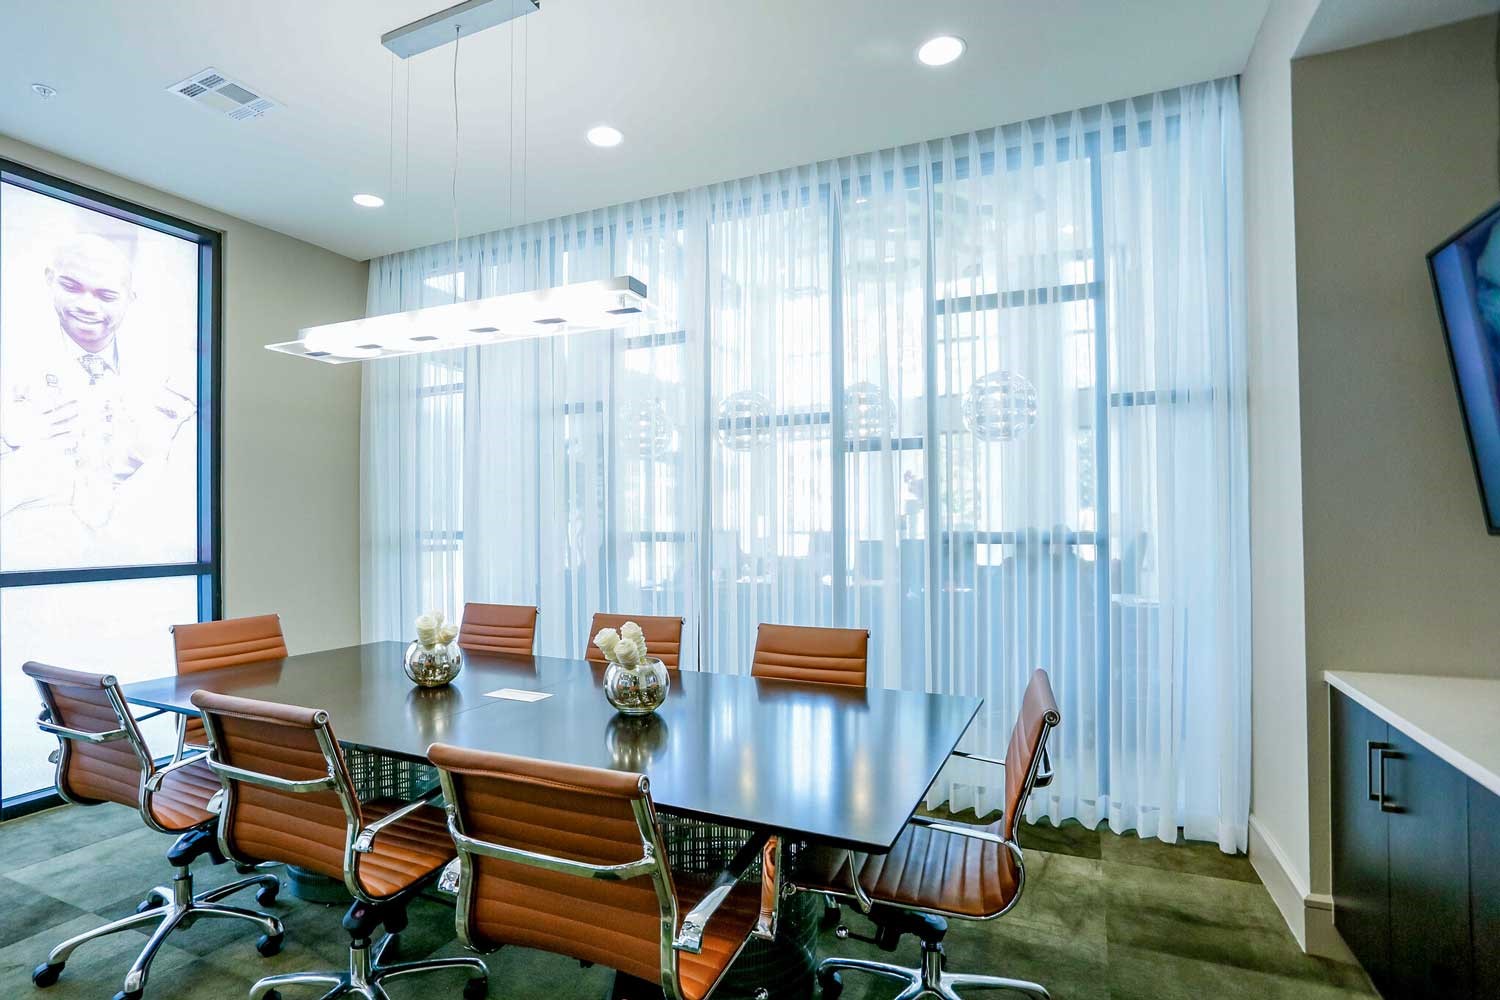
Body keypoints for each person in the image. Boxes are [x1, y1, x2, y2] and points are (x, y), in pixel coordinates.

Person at [0, 233, 195, 569]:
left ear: (130, 298)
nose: (88, 307)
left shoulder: (175, 379)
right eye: (72, 287)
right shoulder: (13, 362)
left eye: (106, 295)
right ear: (49, 280)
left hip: (144, 569)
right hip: (25, 567)